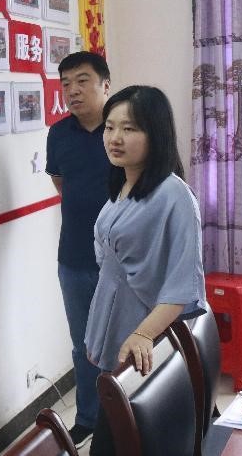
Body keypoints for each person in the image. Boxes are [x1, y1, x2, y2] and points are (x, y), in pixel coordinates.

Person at [84, 86, 209, 455]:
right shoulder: (124, 184)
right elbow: (111, 268)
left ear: (156, 133)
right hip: (116, 327)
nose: (115, 138)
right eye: (110, 127)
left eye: (130, 128)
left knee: (128, 438)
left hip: (145, 333)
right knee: (115, 433)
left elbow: (182, 285)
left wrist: (141, 334)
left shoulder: (175, 196)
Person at [45, 51, 112, 447]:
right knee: (85, 346)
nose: (72, 90)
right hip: (73, 257)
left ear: (105, 84)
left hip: (123, 260)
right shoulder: (59, 134)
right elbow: (62, 184)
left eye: (82, 80)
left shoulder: (122, 128)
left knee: (130, 339)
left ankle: (133, 413)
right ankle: (88, 418)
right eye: (66, 83)